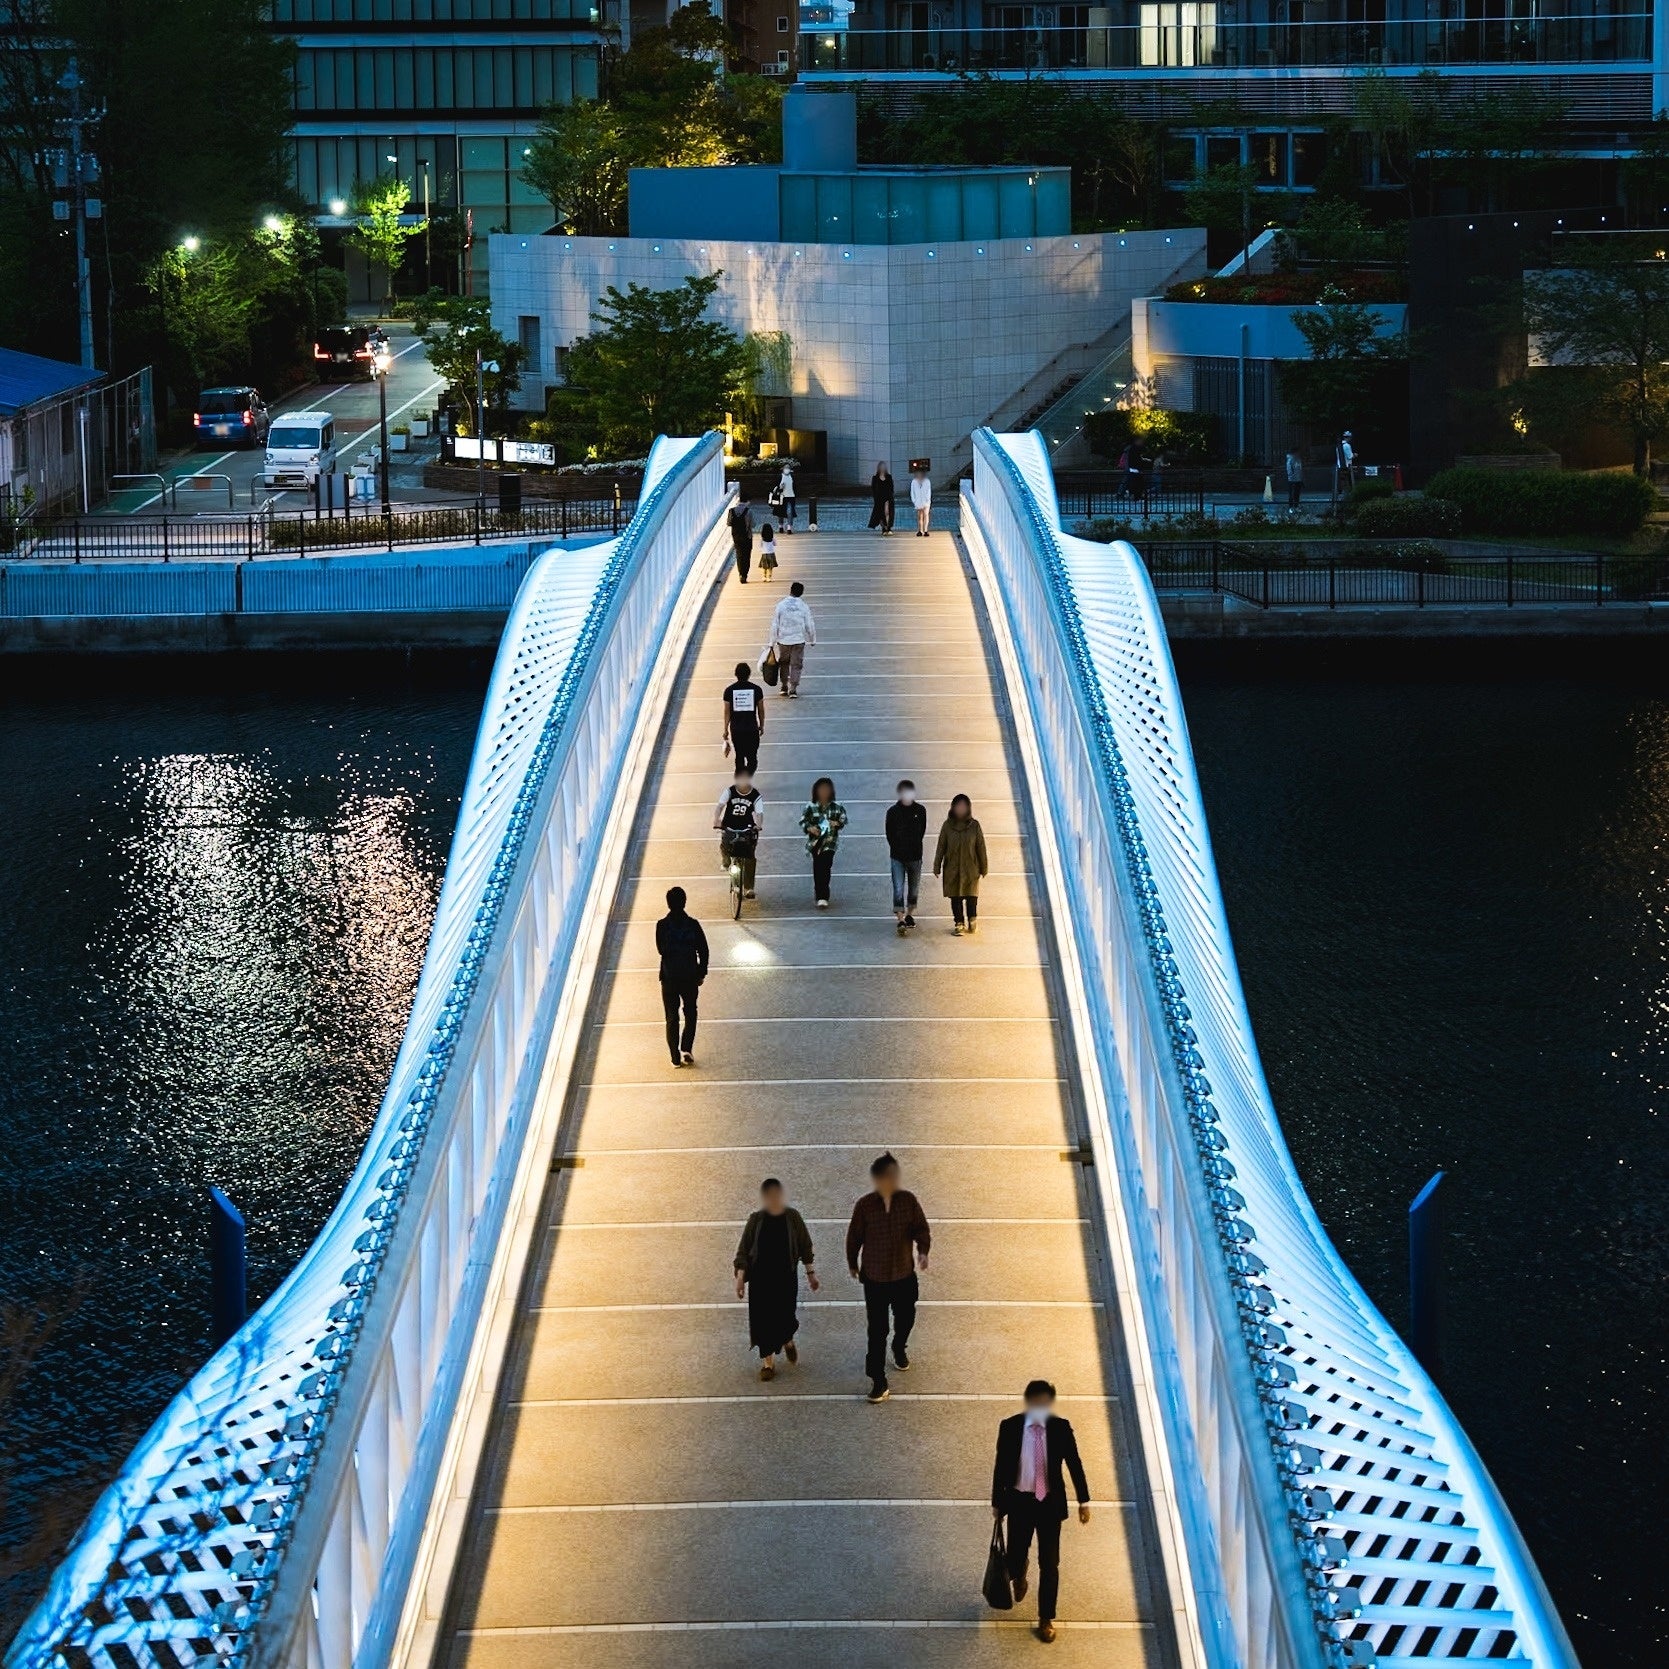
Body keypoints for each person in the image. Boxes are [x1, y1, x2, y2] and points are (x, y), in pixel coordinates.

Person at [990, 1380, 1092, 1644]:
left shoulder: (1061, 1428)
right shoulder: (1010, 1427)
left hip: (1049, 1506)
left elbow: (1074, 1463)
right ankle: (1019, 1572)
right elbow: (1000, 1466)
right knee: (1014, 1558)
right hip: (1019, 1503)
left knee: (1049, 1564)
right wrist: (997, 1503)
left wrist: (1084, 1500)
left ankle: (1046, 1618)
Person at [845, 1152, 931, 1404]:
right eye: (887, 1177)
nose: (892, 1180)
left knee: (906, 1319)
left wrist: (923, 1252)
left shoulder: (908, 1201)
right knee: (877, 1331)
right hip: (875, 1279)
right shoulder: (865, 1206)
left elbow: (921, 1229)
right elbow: (854, 1237)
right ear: (878, 1179)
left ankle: (899, 1346)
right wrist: (852, 1263)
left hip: (904, 1275)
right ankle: (878, 1380)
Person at [734, 1177, 820, 1381]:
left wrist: (811, 1274)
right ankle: (768, 1363)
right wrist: (740, 1278)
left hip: (785, 1279)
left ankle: (787, 1339)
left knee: (785, 1316)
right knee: (762, 1320)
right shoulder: (756, 1220)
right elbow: (743, 1251)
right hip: (760, 1280)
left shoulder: (792, 1217)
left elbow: (805, 1246)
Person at [655, 886, 709, 1068]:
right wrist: (701, 972)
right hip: (690, 977)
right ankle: (686, 1048)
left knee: (672, 1017)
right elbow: (704, 950)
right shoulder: (693, 925)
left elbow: (661, 949)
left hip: (669, 978)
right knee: (690, 1012)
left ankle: (674, 1057)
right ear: (685, 902)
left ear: (668, 904)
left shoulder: (661, 925)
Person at [933, 793, 989, 935]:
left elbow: (981, 847)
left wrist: (984, 867)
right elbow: (941, 847)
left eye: (963, 806)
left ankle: (972, 920)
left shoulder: (974, 826)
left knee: (971, 896)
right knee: (955, 897)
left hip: (971, 868)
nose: (961, 809)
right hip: (952, 869)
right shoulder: (947, 826)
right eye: (958, 806)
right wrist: (936, 866)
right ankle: (959, 923)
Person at [713, 764, 763, 900]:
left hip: (747, 828)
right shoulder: (729, 791)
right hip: (729, 826)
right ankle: (725, 861)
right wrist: (716, 820)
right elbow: (720, 806)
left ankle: (748, 887)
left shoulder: (755, 795)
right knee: (725, 845)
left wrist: (758, 825)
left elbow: (759, 813)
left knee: (750, 855)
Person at [799, 776, 848, 909]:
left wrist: (836, 823)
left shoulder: (837, 807)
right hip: (815, 843)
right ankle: (820, 894)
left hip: (830, 843)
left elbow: (843, 819)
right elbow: (803, 821)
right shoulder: (810, 807)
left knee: (825, 866)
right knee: (818, 867)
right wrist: (810, 828)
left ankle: (823, 895)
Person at [885, 779, 927, 934]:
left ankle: (910, 914)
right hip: (897, 857)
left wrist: (914, 846)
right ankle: (900, 919)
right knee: (898, 888)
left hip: (915, 857)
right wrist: (897, 847)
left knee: (914, 889)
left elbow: (922, 831)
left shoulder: (920, 810)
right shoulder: (893, 812)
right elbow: (889, 833)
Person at [768, 581, 816, 699]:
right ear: (801, 593)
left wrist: (772, 642)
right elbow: (809, 624)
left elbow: (775, 624)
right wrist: (812, 639)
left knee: (784, 663)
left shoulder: (781, 605)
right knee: (796, 664)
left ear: (790, 590)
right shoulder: (803, 606)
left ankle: (784, 686)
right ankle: (793, 688)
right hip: (798, 640)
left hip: (783, 640)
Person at [723, 660, 765, 775]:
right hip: (752, 728)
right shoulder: (757, 689)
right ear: (749, 674)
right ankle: (747, 776)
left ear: (736, 674)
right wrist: (762, 725)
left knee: (739, 756)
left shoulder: (729, 691)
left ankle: (741, 779)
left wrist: (725, 729)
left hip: (736, 729)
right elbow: (761, 710)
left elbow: (727, 712)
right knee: (752, 758)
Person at [727, 492, 754, 582]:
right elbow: (753, 524)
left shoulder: (731, 511)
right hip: (747, 536)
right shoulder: (749, 511)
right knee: (746, 555)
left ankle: (740, 574)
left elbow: (729, 523)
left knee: (739, 554)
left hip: (736, 536)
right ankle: (744, 575)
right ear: (747, 501)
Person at [868, 462, 896, 534]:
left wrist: (891, 496)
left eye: (884, 467)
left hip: (888, 497)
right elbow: (873, 489)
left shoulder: (889, 477)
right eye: (881, 467)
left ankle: (888, 528)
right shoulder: (875, 478)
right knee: (880, 514)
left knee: (887, 512)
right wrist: (875, 498)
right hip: (879, 499)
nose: (882, 468)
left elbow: (891, 487)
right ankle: (884, 528)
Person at [909, 464, 932, 537]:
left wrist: (927, 500)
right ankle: (920, 530)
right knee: (919, 516)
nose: (919, 475)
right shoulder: (914, 481)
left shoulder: (927, 481)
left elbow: (929, 491)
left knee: (926, 515)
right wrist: (914, 501)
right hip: (918, 501)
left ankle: (925, 530)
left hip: (926, 502)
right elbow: (912, 492)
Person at [776, 460, 797, 531]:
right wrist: (780, 488)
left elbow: (795, 486)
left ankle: (789, 527)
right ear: (783, 468)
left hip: (791, 497)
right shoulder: (780, 477)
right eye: (785, 467)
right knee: (780, 513)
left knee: (790, 512)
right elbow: (776, 487)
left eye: (788, 468)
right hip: (782, 497)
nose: (787, 469)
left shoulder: (792, 477)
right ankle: (780, 526)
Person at [1335, 429, 1356, 497]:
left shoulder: (1339, 445)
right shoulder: (1347, 445)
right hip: (1347, 466)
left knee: (1341, 479)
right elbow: (1350, 456)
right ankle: (1350, 493)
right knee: (1349, 480)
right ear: (1349, 437)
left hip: (1339, 466)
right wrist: (1355, 455)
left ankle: (1340, 493)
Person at [1285, 447, 1304, 512]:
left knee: (1297, 494)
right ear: (1294, 452)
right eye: (1298, 452)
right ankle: (1291, 507)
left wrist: (1301, 478)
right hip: (1292, 480)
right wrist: (1292, 477)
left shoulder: (1298, 459)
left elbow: (1300, 469)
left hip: (1298, 479)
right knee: (1292, 494)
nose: (1299, 453)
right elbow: (1289, 470)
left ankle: (1296, 506)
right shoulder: (1290, 460)